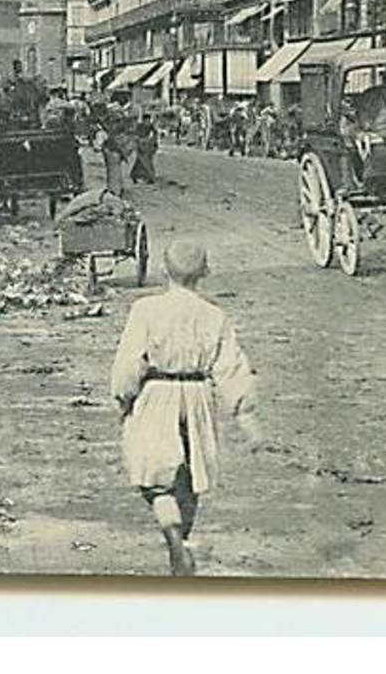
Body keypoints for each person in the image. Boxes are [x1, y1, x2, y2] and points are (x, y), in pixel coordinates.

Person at [109, 239, 263, 576]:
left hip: (157, 395)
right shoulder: (214, 316)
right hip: (197, 398)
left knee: (156, 480)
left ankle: (175, 539)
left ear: (164, 270)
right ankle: (184, 543)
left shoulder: (146, 310)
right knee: (189, 478)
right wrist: (244, 412)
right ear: (205, 272)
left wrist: (124, 397)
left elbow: (128, 364)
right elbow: (231, 367)